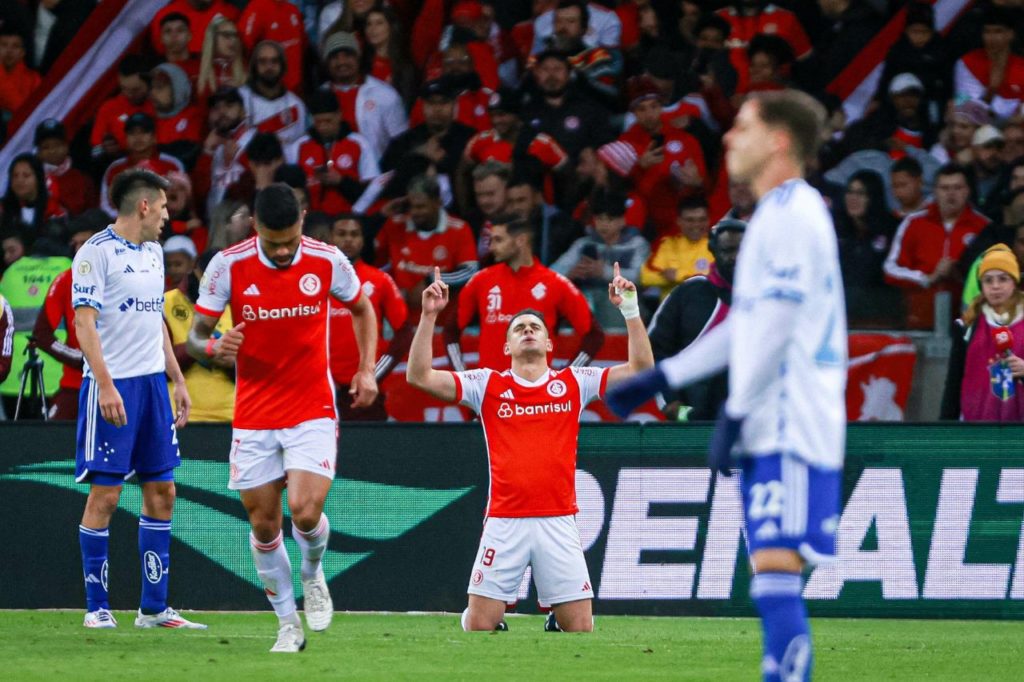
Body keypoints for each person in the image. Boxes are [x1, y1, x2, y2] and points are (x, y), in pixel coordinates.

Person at [606, 90, 847, 682]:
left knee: (774, 570)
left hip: (792, 418)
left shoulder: (794, 214)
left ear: (779, 141)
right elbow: (748, 323)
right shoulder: (776, 214)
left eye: (743, 126)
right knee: (771, 573)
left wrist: (736, 411)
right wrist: (666, 375)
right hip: (775, 419)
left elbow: (780, 321)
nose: (729, 137)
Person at [407, 261, 652, 633]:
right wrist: (429, 317)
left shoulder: (574, 381)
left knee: (580, 629)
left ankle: (556, 620)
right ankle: (488, 616)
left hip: (558, 519)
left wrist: (630, 310)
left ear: (550, 343)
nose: (527, 332)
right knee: (480, 627)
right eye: (519, 328)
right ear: (506, 345)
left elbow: (640, 371)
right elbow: (419, 376)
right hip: (505, 520)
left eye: (535, 327)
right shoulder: (486, 384)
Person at [186, 183, 379, 652]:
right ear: (255, 226)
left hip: (311, 404)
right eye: (274, 243)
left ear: (303, 220)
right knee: (264, 526)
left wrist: (366, 369)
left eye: (291, 240)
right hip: (253, 412)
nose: (284, 250)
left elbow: (363, 309)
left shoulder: (327, 259)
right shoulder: (227, 265)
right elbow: (196, 335)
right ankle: (287, 624)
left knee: (305, 512)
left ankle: (313, 572)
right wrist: (213, 349)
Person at [70, 169, 201, 629]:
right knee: (106, 496)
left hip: (151, 388)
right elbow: (84, 324)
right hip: (114, 385)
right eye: (164, 206)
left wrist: (176, 378)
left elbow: (155, 320)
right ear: (144, 205)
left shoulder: (154, 253)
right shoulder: (93, 254)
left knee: (163, 491)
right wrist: (104, 385)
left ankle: (154, 608)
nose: (168, 215)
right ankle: (97, 608)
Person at [446, 215, 602, 373]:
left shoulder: (556, 284)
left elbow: (594, 335)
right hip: (490, 392)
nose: (491, 247)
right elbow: (451, 329)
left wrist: (568, 375)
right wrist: (461, 377)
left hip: (537, 393)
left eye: (498, 240)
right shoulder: (481, 281)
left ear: (520, 240)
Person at [647, 217, 745, 421]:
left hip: (750, 421)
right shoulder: (689, 293)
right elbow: (653, 350)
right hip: (692, 419)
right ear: (713, 251)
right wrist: (670, 402)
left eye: (742, 250)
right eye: (728, 250)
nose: (735, 257)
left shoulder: (768, 300)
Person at [884, 162, 990, 329]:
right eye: (944, 188)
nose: (950, 194)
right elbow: (890, 269)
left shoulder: (984, 227)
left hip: (970, 326)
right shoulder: (913, 223)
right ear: (934, 191)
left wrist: (960, 275)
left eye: (957, 188)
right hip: (918, 322)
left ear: (968, 191)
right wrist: (927, 278)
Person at [329, 214, 411, 420]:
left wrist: (374, 374)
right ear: (331, 238)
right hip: (324, 388)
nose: (348, 239)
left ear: (363, 240)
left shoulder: (380, 280)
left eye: (354, 234)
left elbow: (404, 332)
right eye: (341, 234)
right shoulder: (316, 280)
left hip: (366, 389)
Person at [942, 244, 1024, 421]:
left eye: (1003, 279)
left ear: (1014, 282)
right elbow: (953, 384)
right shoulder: (966, 325)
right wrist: (945, 429)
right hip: (977, 426)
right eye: (988, 280)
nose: (995, 286)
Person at [30, 221, 101, 421]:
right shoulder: (65, 280)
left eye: (85, 243)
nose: (79, 250)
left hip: (121, 383)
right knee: (51, 444)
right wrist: (80, 359)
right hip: (75, 385)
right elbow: (41, 334)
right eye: (75, 244)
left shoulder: (124, 279)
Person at [164, 249, 234, 422]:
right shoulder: (164, 303)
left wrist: (233, 363)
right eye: (210, 276)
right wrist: (203, 346)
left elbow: (255, 372)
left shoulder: (238, 306)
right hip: (180, 415)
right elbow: (156, 366)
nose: (214, 285)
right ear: (195, 268)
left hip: (231, 415)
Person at [641, 196, 714, 301]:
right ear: (679, 221)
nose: (696, 225)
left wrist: (678, 275)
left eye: (702, 219)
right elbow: (646, 276)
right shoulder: (667, 244)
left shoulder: (717, 245)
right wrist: (693, 276)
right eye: (690, 220)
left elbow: (715, 280)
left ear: (709, 220)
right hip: (670, 312)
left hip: (705, 308)